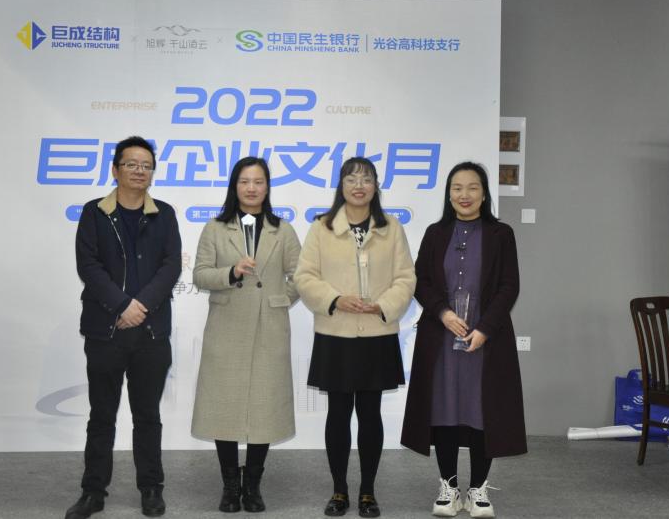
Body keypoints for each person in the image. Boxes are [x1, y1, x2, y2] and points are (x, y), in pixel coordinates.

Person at [400, 162, 526, 518]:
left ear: (484, 194)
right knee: (444, 411)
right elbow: (421, 281)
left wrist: (484, 328)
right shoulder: (435, 233)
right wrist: (443, 313)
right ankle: (449, 487)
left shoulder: (501, 234)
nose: (464, 195)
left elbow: (509, 285)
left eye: (472, 188)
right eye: (457, 188)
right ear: (449, 193)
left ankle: (478, 490)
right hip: (441, 340)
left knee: (482, 412)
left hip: (486, 341)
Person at [66, 136, 182, 519]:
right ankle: (93, 492)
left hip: (151, 332)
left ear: (153, 172)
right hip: (106, 330)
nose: (139, 171)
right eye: (131, 164)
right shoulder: (94, 213)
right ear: (115, 169)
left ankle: (151, 488)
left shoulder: (164, 214)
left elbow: (171, 266)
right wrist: (121, 305)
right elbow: (89, 266)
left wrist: (140, 306)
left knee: (147, 416)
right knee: (102, 415)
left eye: (146, 165)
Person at [294, 157, 416, 518]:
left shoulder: (391, 228)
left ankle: (367, 492)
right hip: (336, 334)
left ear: (376, 186)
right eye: (351, 179)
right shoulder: (322, 227)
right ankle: (339, 490)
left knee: (370, 413)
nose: (359, 186)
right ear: (341, 185)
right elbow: (304, 277)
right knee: (338, 413)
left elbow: (406, 277)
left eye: (366, 179)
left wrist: (383, 305)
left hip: (377, 333)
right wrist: (335, 299)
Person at [191, 157, 302, 513]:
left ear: (267, 187)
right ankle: (229, 486)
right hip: (227, 327)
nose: (251, 188)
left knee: (265, 407)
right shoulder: (215, 228)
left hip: (269, 326)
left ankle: (252, 485)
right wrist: (232, 272)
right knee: (222, 406)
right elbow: (200, 275)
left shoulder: (283, 230)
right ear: (234, 186)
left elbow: (301, 274)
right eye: (244, 181)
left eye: (258, 182)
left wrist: (281, 299)